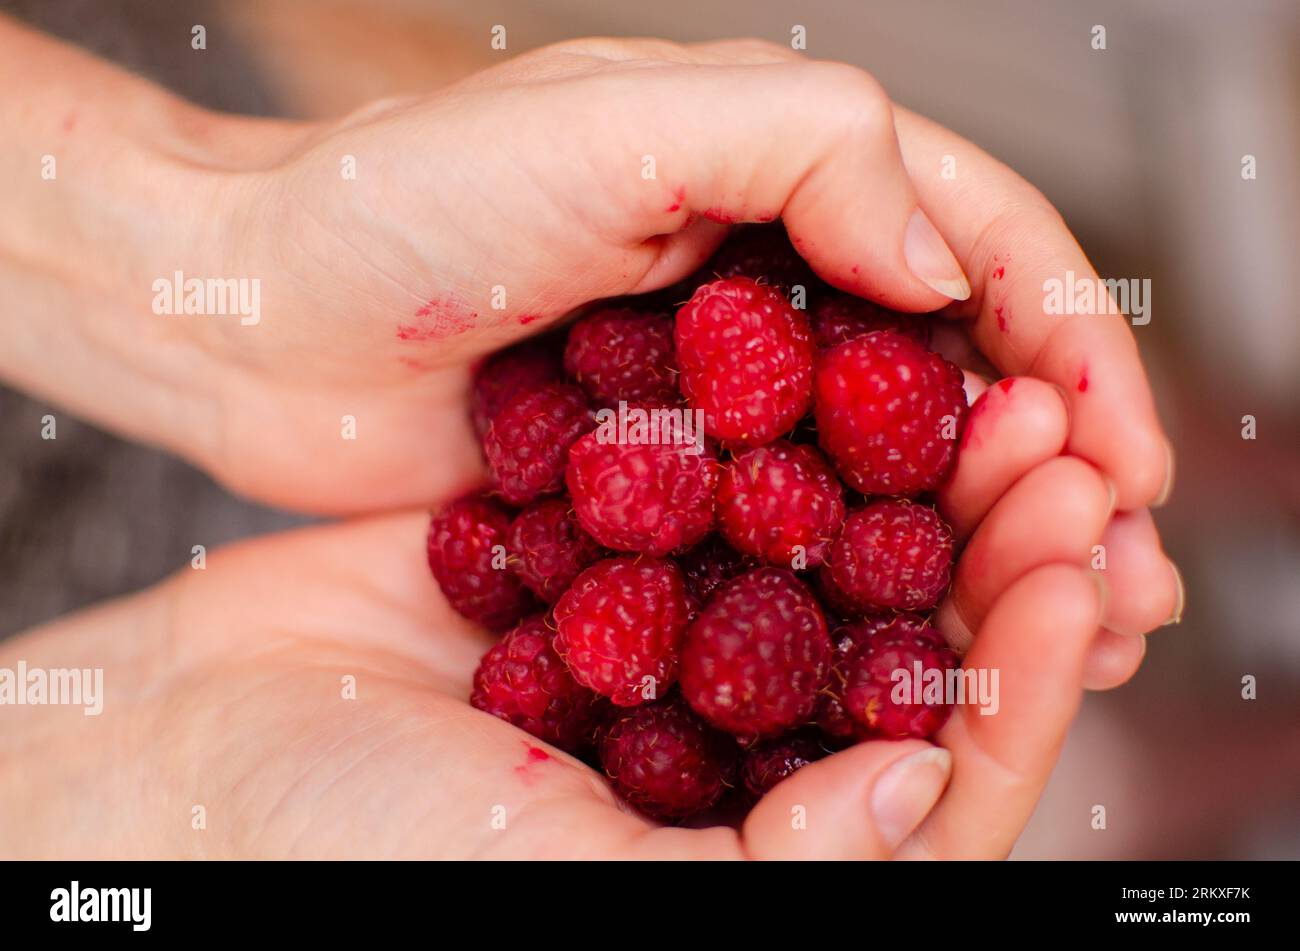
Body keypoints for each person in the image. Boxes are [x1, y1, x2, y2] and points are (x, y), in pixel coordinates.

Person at [0, 20, 1181, 859]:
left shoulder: (628, 436)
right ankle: (1216, 771)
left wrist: (197, 246)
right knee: (1073, 770)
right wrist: (144, 782)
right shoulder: (631, 534)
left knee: (1066, 513)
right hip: (163, 637)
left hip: (195, 340)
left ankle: (1247, 493)